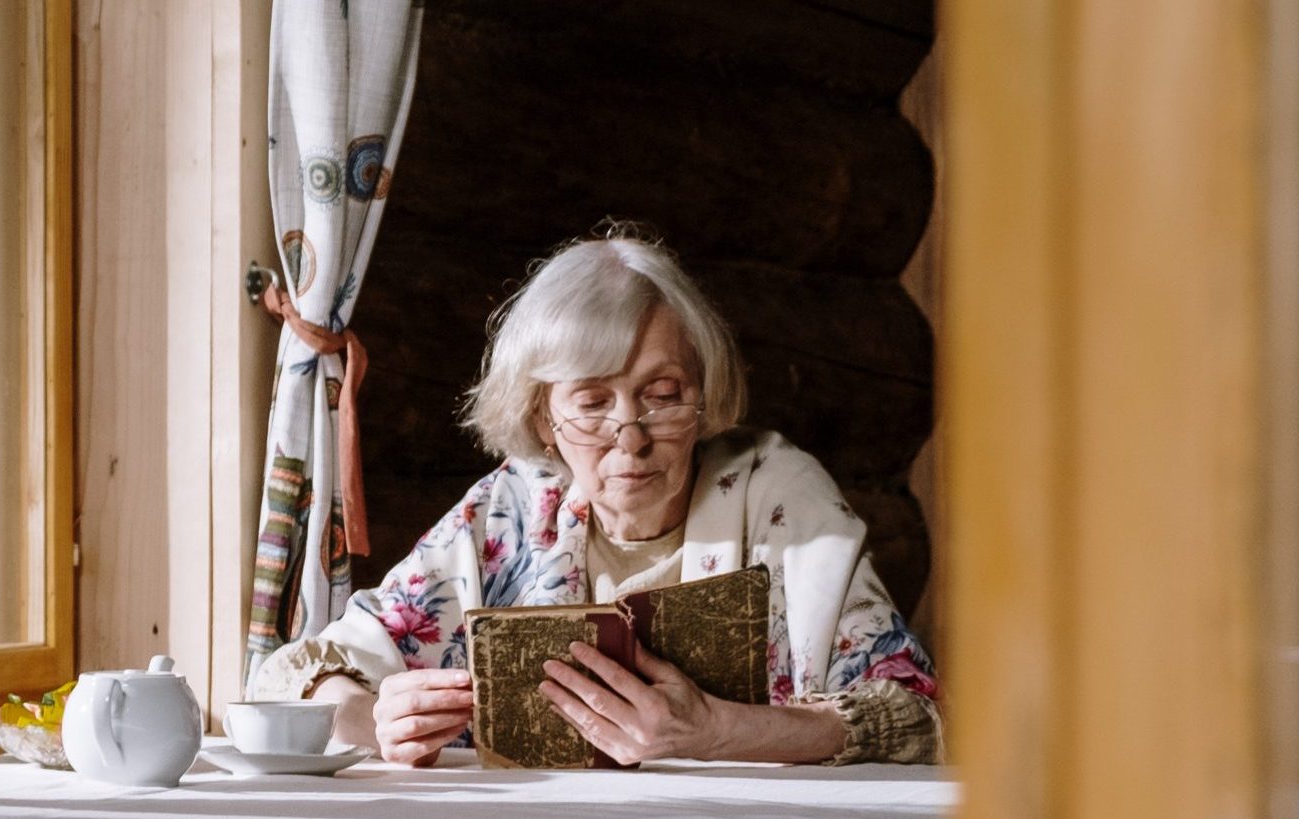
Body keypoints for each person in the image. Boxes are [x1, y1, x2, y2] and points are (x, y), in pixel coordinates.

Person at [249, 233, 941, 767]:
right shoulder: (517, 508)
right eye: (591, 402)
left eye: (663, 395)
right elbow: (289, 681)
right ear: (545, 419)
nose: (629, 437)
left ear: (703, 399)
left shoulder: (777, 493)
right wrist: (376, 719)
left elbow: (913, 719)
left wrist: (717, 731)